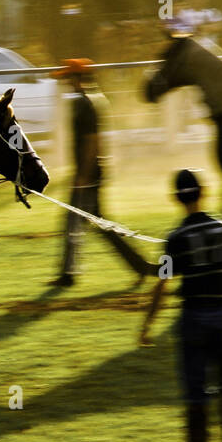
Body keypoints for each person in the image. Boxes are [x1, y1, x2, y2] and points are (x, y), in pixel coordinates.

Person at [138, 169, 222, 442]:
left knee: (196, 395)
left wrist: (147, 324)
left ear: (176, 198)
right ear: (205, 192)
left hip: (194, 319)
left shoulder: (176, 239)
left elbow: (162, 284)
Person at [49, 58, 151, 288]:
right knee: (100, 226)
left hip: (88, 174)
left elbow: (92, 142)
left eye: (68, 78)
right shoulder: (87, 101)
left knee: (74, 222)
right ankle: (139, 265)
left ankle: (69, 275)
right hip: (90, 173)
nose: (65, 82)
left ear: (78, 79)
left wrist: (83, 176)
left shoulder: (87, 104)